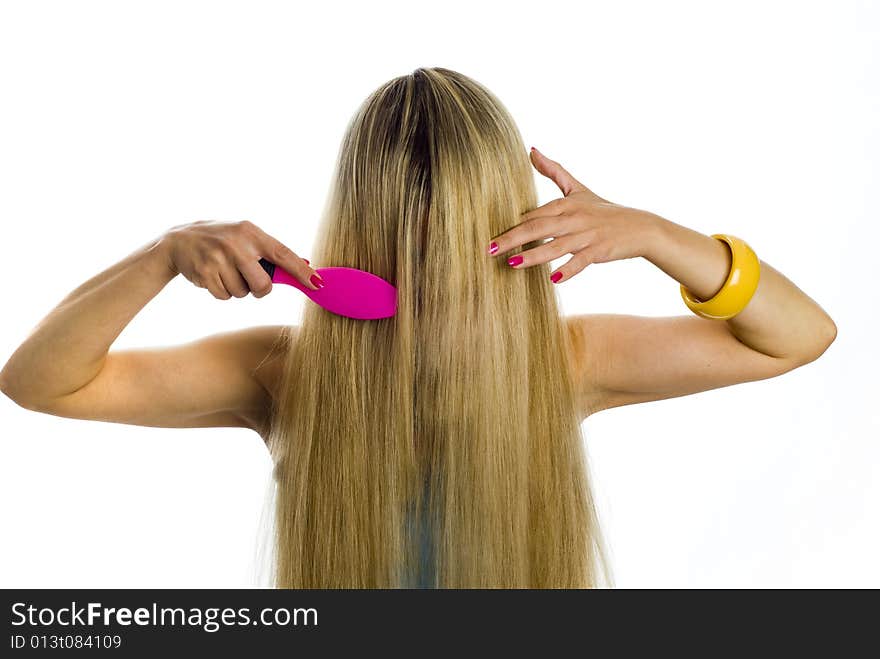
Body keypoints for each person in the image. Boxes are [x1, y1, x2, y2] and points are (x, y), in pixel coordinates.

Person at [0, 67, 837, 588]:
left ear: (510, 235)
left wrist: (657, 235)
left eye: (463, 248)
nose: (437, 280)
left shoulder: (568, 361)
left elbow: (798, 335)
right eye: (411, 250)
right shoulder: (280, 373)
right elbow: (39, 381)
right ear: (366, 242)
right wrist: (162, 255)